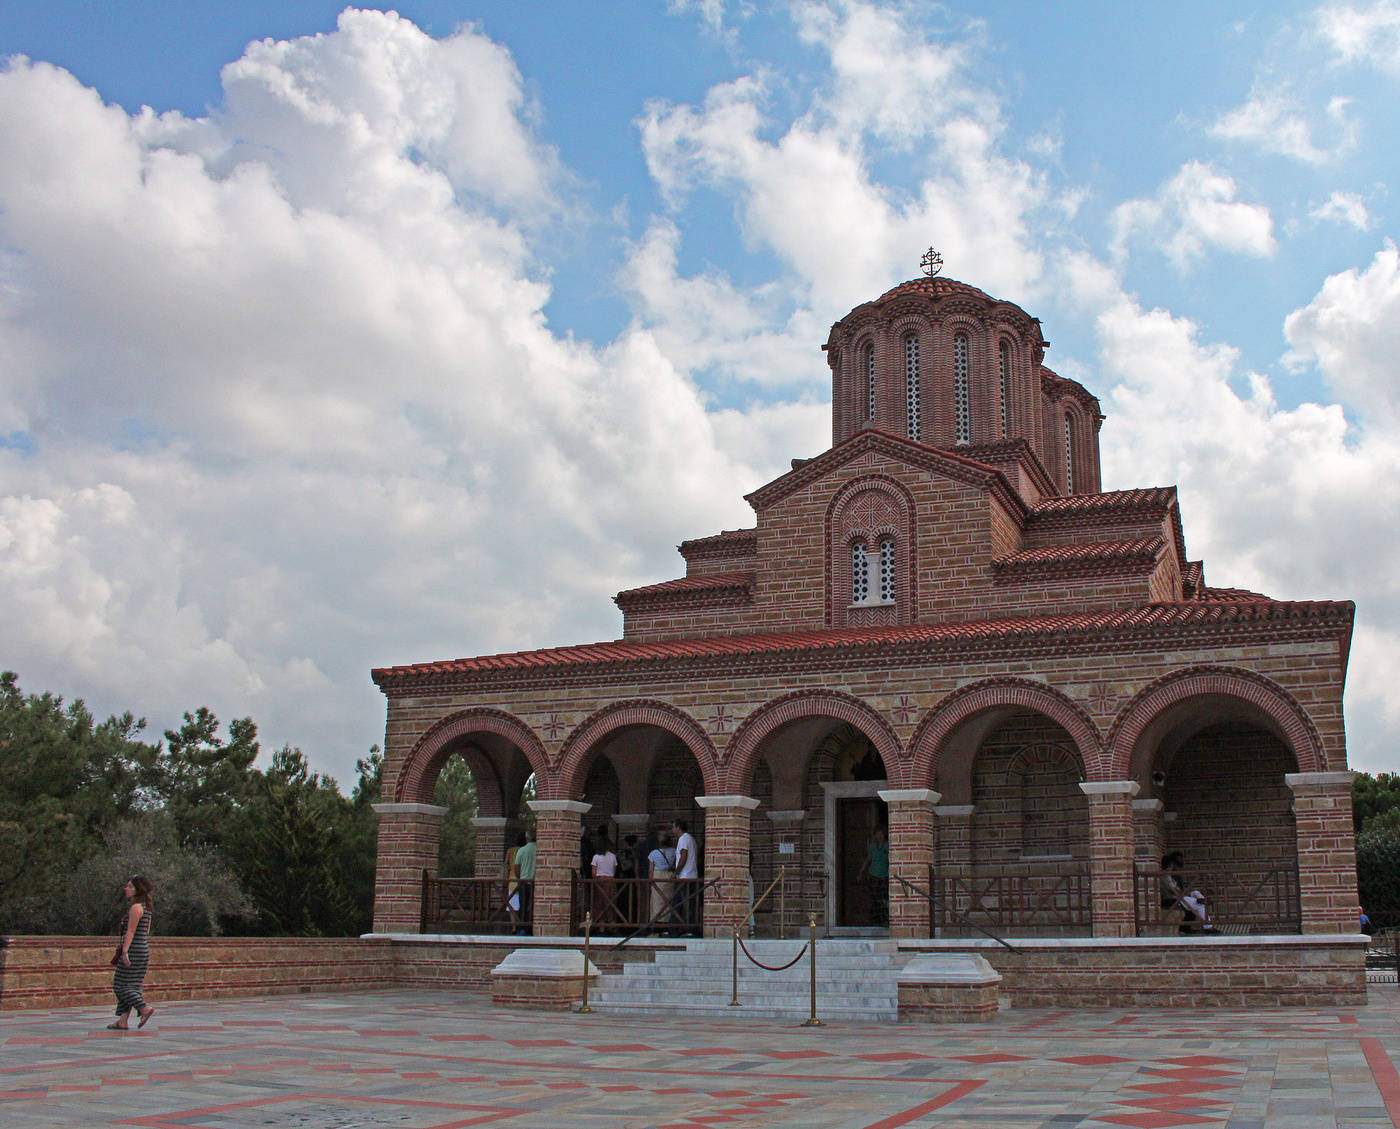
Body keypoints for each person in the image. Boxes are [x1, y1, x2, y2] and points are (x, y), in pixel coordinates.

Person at [108, 876, 155, 1030]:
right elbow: (145, 931)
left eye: (130, 886)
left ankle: (144, 1008)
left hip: (134, 950)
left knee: (120, 986)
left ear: (137, 890)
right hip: (143, 950)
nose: (126, 889)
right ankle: (122, 1021)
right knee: (132, 985)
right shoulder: (146, 908)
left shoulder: (136, 908)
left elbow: (131, 931)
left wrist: (125, 951)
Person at [1159, 851, 1216, 933]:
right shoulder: (1165, 876)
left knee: (1195, 892)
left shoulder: (1170, 875)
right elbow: (1174, 891)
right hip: (1172, 899)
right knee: (1199, 905)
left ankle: (1202, 900)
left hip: (1179, 896)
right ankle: (1208, 928)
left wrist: (1187, 894)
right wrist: (1185, 894)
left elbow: (1178, 890)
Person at [856, 824, 890, 927]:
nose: (879, 836)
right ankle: (875, 921)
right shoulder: (872, 846)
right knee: (874, 898)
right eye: (877, 834)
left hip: (884, 875)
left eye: (881, 834)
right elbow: (868, 859)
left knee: (884, 899)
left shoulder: (888, 845)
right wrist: (861, 872)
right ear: (875, 835)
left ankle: (885, 920)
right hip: (873, 875)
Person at [672, 819, 700, 935]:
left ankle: (686, 928)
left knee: (683, 903)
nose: (672, 830)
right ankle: (679, 928)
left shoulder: (683, 839)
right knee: (685, 903)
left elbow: (683, 857)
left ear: (678, 828)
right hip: (692, 875)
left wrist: (676, 873)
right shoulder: (691, 839)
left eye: (673, 827)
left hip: (684, 876)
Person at [590, 829, 619, 931]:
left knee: (599, 904)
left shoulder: (596, 857)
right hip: (610, 881)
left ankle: (601, 927)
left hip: (600, 882)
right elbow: (614, 871)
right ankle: (612, 925)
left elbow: (594, 873)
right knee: (611, 903)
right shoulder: (613, 856)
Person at [646, 833, 675, 929]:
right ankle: (667, 921)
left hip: (657, 876)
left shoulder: (653, 853)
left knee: (657, 900)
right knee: (668, 899)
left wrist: (650, 880)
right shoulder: (673, 851)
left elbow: (651, 869)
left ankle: (657, 922)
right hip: (669, 876)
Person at [513, 829, 537, 935]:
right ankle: (532, 927)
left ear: (527, 838)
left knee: (523, 905)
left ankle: (522, 928)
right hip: (536, 883)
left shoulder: (522, 850)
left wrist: (520, 877)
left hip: (524, 882)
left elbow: (517, 868)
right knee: (534, 905)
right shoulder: (540, 850)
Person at [505, 832, 526, 933]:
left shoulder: (510, 851)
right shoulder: (523, 850)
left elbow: (507, 865)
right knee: (521, 904)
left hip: (512, 880)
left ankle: (513, 927)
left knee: (512, 905)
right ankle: (521, 926)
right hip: (522, 879)